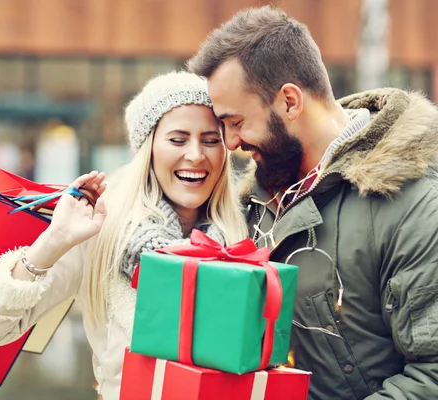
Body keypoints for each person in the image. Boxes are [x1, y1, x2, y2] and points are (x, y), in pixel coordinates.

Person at [187, 5, 438, 400]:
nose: (231, 143)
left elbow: (431, 375)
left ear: (290, 102)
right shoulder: (256, 196)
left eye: (236, 123)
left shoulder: (416, 203)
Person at [0, 71, 248, 399]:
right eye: (177, 140)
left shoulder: (246, 239)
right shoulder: (104, 235)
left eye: (211, 140)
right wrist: (55, 240)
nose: (195, 154)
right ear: (148, 150)